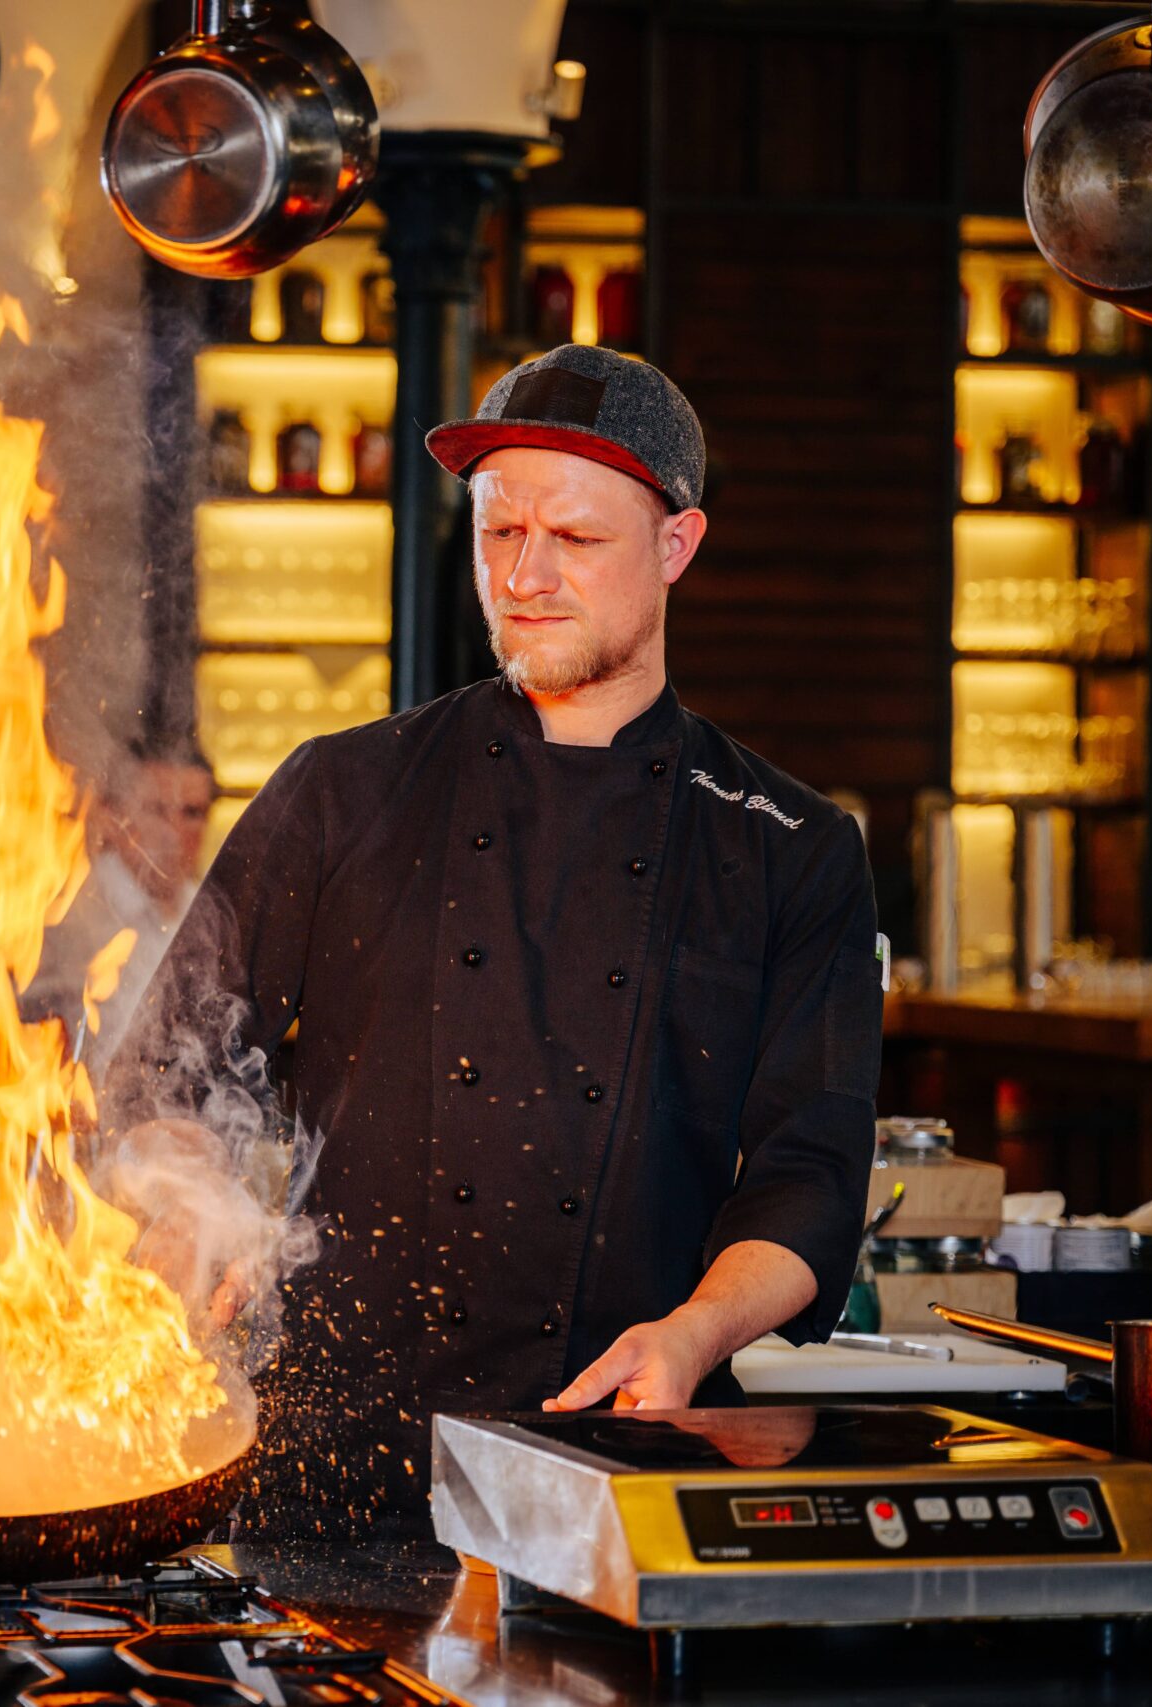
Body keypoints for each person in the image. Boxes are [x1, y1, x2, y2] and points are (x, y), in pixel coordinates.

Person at [106, 345, 883, 1530]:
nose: (525, 575)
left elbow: (807, 1185)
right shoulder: (341, 792)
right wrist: (186, 1206)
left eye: (574, 541)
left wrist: (691, 1333)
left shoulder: (787, 846)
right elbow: (168, 1072)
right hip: (339, 1469)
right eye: (498, 532)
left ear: (675, 547)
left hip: (622, 1454)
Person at [32, 735, 218, 1071]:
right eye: (156, 810)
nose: (173, 832)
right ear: (112, 817)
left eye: (192, 813)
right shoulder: (64, 917)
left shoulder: (215, 916)